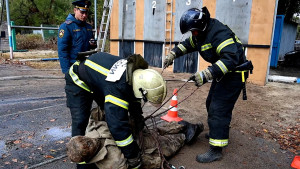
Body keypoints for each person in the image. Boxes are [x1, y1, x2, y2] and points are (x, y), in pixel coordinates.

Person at [65, 50, 203, 168]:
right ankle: (82, 166)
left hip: (99, 79)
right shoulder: (117, 90)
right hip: (79, 81)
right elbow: (118, 127)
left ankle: (182, 127)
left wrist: (138, 120)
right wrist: (134, 158)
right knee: (80, 122)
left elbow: (134, 101)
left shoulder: (136, 76)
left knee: (117, 119)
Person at [164, 7, 252, 163]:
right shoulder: (200, 34)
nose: (193, 34)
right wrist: (173, 54)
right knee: (210, 102)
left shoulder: (219, 34)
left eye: (194, 31)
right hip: (223, 74)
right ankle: (218, 131)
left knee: (218, 109)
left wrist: (207, 73)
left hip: (234, 75)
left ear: (201, 25)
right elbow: (187, 44)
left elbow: (231, 59)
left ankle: (216, 150)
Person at [66, 107, 204, 169]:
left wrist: (125, 115)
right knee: (170, 144)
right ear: (90, 154)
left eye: (86, 139)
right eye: (89, 145)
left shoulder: (91, 127)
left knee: (160, 129)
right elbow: (137, 164)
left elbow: (102, 110)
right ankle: (187, 134)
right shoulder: (111, 164)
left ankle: (181, 125)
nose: (92, 140)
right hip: (145, 149)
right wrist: (156, 161)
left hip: (137, 132)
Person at [58, 0, 96, 74]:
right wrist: (66, 72)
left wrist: (93, 44)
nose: (84, 15)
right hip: (73, 66)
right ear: (75, 10)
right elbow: (62, 51)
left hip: (86, 65)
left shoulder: (88, 27)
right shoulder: (66, 26)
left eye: (86, 13)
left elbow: (91, 46)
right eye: (82, 12)